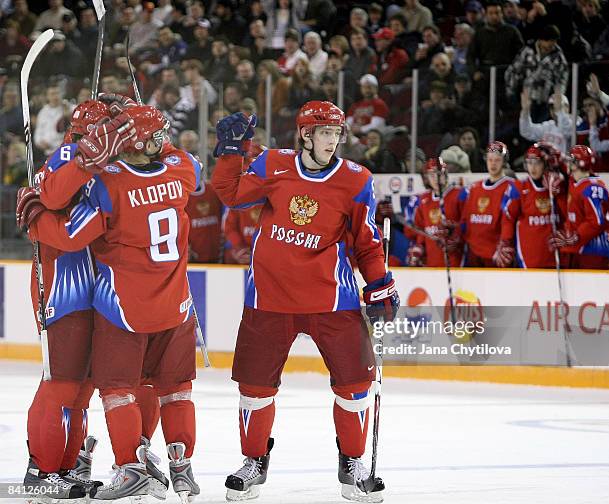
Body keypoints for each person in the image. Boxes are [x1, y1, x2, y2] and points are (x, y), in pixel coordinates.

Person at [211, 101, 399, 502]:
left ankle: (352, 461)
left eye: (337, 134)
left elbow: (366, 241)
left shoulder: (355, 179)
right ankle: (254, 461)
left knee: (355, 386)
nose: (332, 141)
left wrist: (380, 282)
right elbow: (230, 194)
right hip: (269, 296)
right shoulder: (273, 165)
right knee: (255, 388)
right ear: (306, 134)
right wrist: (229, 153)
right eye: (325, 133)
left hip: (332, 298)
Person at [22, 105, 202, 502]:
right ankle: (44, 469)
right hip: (69, 285)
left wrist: (131, 139)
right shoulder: (69, 156)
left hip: (106, 292)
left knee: (100, 384)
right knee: (66, 382)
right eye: (107, 129)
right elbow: (55, 200)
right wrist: (90, 158)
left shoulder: (119, 173)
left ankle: (85, 463)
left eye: (119, 129)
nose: (113, 136)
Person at [499, 143, 567, 268]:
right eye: (529, 163)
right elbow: (508, 218)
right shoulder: (518, 188)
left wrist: (560, 193)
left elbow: (567, 215)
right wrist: (506, 241)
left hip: (555, 256)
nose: (533, 167)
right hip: (528, 257)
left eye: (537, 162)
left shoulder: (558, 186)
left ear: (545, 164)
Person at [549, 145, 609, 269]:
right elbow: (571, 211)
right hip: (579, 248)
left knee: (591, 287)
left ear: (580, 163)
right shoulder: (575, 181)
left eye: (572, 160)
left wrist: (576, 236)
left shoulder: (593, 188)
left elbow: (596, 222)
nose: (568, 163)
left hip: (595, 251)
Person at [462, 141, 518, 266]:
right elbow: (466, 220)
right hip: (474, 254)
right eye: (490, 159)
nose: (493, 163)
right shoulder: (474, 188)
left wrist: (506, 243)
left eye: (497, 160)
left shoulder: (512, 186)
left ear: (504, 161)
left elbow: (512, 221)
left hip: (497, 255)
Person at [407, 159, 465, 267]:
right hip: (432, 262)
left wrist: (457, 235)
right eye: (432, 175)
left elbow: (467, 225)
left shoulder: (459, 195)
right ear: (427, 178)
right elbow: (420, 230)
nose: (436, 178)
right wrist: (418, 248)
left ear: (445, 174)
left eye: (439, 174)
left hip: (456, 260)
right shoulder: (423, 200)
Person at [519, 88, 573, 153]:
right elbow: (527, 131)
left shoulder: (575, 124)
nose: (554, 110)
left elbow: (565, 130)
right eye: (552, 108)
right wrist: (525, 111)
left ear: (567, 108)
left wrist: (560, 112)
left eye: (558, 107)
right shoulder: (548, 126)